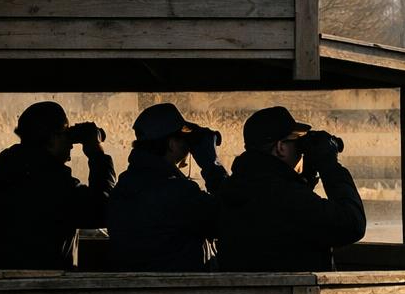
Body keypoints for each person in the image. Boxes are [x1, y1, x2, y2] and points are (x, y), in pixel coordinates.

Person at [216, 105, 366, 271]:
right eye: (297, 142)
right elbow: (352, 224)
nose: (301, 150)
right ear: (280, 147)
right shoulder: (282, 193)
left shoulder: (235, 186)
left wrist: (305, 179)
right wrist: (329, 165)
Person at [0, 100, 114, 269]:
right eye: (66, 133)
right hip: (44, 285)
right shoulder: (55, 185)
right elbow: (103, 211)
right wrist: (96, 153)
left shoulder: (5, 174)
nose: (71, 143)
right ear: (51, 137)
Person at [106, 102, 229, 271]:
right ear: (172, 144)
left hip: (137, 290)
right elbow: (231, 218)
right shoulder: (177, 193)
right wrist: (211, 165)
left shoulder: (124, 186)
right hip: (180, 293)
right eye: (184, 138)